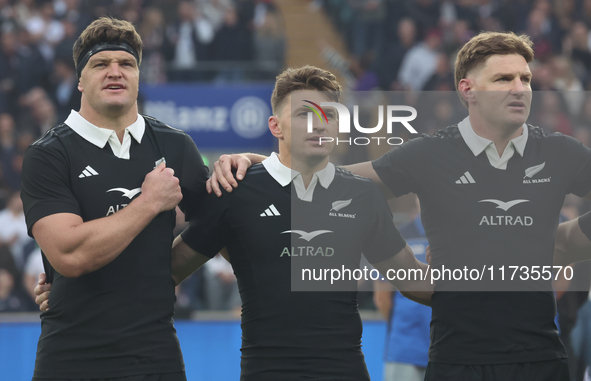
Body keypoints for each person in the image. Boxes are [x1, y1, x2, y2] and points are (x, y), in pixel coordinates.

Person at [208, 32, 591, 380]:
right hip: (455, 360)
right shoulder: (429, 154)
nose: (520, 88)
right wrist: (263, 163)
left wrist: (566, 240)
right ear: (467, 89)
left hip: (541, 359)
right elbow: (333, 181)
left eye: (525, 78)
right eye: (503, 79)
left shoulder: (560, 152)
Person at [168, 66, 432, 380]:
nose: (319, 124)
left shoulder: (362, 195)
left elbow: (414, 280)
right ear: (275, 126)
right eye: (305, 114)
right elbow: (168, 270)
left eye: (329, 115)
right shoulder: (235, 192)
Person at [22, 17, 208, 380]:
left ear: (139, 76)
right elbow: (71, 255)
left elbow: (221, 222)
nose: (115, 72)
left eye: (126, 64)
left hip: (156, 359)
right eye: (100, 64)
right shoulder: (47, 154)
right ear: (79, 79)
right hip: (70, 359)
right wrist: (149, 201)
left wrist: (164, 270)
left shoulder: (176, 145)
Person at [373, 210, 430, 381]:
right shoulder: (398, 237)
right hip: (405, 351)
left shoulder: (459, 236)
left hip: (452, 351)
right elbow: (382, 298)